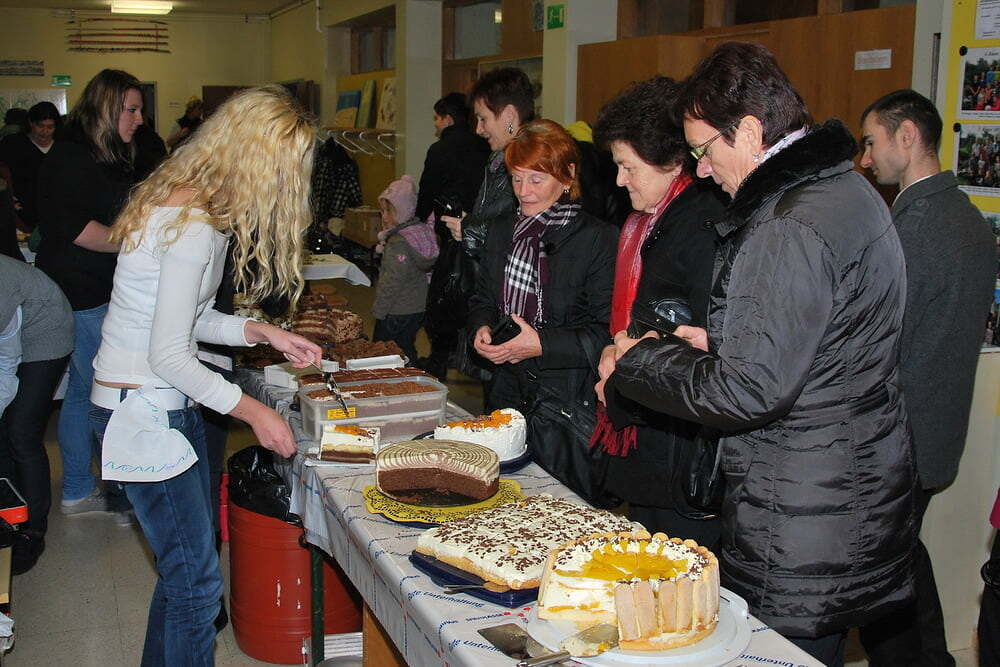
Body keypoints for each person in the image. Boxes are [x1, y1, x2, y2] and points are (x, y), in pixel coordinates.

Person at [599, 42, 916, 666]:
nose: (703, 170)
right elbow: (830, 343)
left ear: (746, 131)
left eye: (704, 151)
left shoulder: (786, 223)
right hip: (851, 487)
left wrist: (637, 360)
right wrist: (722, 344)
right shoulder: (846, 190)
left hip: (800, 509)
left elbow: (747, 392)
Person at [89, 85, 322, 665]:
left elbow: (188, 319)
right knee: (197, 587)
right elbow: (168, 354)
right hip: (141, 410)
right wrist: (254, 410)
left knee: (183, 576)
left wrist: (258, 332)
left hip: (159, 405)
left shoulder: (191, 208)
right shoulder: (191, 224)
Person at [857, 89, 997, 666]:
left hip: (898, 434)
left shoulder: (913, 227)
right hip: (935, 432)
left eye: (871, 142)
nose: (866, 160)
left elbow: (880, 341)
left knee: (879, 576)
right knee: (901, 557)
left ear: (906, 136)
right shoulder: (967, 218)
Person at [590, 76, 727, 548]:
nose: (619, 180)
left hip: (680, 456)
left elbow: (706, 344)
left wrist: (630, 365)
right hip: (655, 437)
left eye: (628, 167)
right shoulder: (652, 220)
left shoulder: (700, 226)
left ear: (671, 161)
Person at [36, 69, 144, 520]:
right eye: (132, 110)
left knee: (84, 391)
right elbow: (83, 231)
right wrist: (142, 242)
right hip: (81, 290)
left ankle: (80, 486)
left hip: (88, 287)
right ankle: (118, 493)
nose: (139, 119)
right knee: (107, 391)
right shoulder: (71, 158)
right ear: (106, 107)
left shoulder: (97, 154)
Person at [468, 119, 616, 417]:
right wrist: (480, 327)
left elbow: (607, 331)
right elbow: (482, 297)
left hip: (566, 398)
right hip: (506, 385)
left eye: (536, 180)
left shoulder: (597, 238)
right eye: (516, 178)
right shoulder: (501, 230)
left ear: (567, 177)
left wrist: (542, 344)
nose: (524, 192)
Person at [441, 68, 533, 386]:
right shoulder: (500, 159)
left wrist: (471, 231)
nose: (479, 129)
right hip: (493, 300)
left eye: (483, 119)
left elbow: (525, 232)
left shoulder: (526, 162)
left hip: (518, 310)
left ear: (508, 115)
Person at [0, 254, 73, 574]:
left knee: (21, 431)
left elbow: (6, 361)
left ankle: (33, 530)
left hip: (45, 333)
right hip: (14, 336)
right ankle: (9, 509)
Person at [415, 92, 489, 381]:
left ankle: (441, 358)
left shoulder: (440, 149)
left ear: (447, 118)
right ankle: (465, 353)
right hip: (480, 229)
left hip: (452, 228)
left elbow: (428, 189)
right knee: (474, 293)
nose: (435, 124)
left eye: (436, 117)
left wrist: (420, 219)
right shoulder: (484, 147)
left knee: (445, 295)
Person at [372, 175, 438, 363]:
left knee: (382, 351)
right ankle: (413, 380)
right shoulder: (419, 232)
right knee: (406, 347)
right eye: (382, 211)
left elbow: (392, 281)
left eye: (389, 212)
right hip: (417, 307)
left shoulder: (398, 243)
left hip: (397, 309)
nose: (384, 217)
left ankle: (390, 384)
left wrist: (380, 310)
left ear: (402, 212)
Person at [0, 101, 60, 228]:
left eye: (50, 127)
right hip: (22, 214)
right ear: (31, 123)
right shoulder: (13, 145)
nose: (45, 132)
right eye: (40, 126)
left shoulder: (64, 148)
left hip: (57, 215)